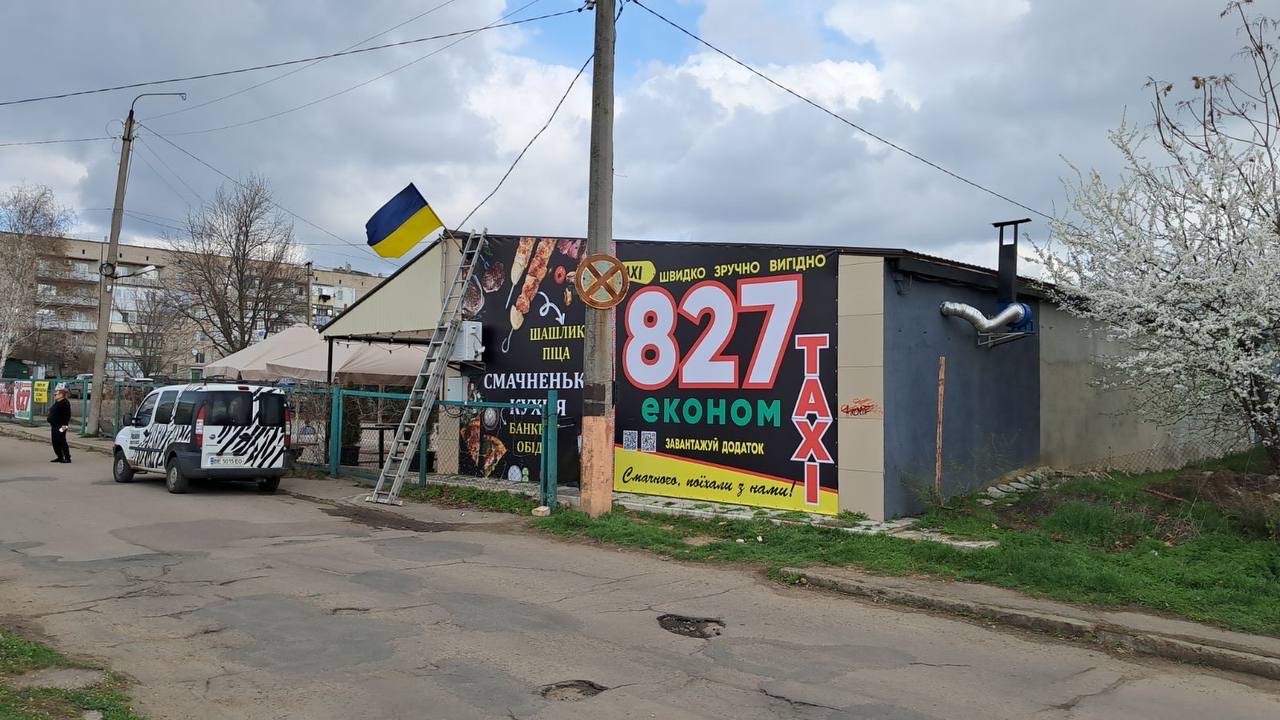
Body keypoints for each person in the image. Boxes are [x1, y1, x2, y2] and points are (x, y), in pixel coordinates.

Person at [47, 386, 72, 464]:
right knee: (55, 441)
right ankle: (60, 457)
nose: (55, 395)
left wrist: (63, 426)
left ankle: (67, 457)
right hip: (54, 425)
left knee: (61, 440)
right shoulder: (57, 402)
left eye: (56, 394)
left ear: (61, 395)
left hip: (62, 426)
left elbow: (67, 416)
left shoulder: (65, 403)